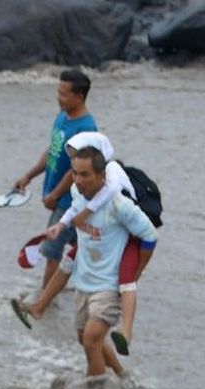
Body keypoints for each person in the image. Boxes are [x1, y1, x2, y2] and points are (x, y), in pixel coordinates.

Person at [11, 132, 149, 356]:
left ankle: (125, 332)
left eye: (79, 159)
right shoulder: (85, 182)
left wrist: (139, 268)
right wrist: (63, 224)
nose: (75, 170)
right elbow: (79, 206)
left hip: (124, 235)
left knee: (126, 282)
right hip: (98, 232)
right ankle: (40, 306)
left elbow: (103, 200)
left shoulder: (111, 176)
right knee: (67, 263)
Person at [66, 146, 157, 376]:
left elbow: (150, 236)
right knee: (84, 338)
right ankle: (121, 375)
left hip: (109, 285)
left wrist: (137, 272)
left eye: (84, 174)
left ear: (101, 176)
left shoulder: (119, 205)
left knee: (90, 339)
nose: (78, 180)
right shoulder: (76, 195)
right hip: (84, 282)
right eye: (75, 173)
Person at [14, 69, 97, 289]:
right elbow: (53, 150)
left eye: (63, 94)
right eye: (58, 92)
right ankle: (94, 283)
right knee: (82, 245)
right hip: (59, 196)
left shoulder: (86, 128)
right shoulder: (62, 117)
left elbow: (76, 170)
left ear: (79, 97)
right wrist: (29, 175)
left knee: (52, 249)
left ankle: (44, 302)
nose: (58, 98)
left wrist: (55, 194)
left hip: (71, 200)